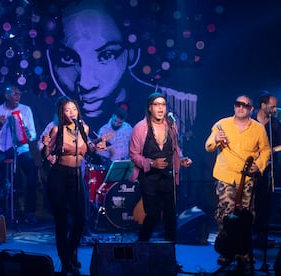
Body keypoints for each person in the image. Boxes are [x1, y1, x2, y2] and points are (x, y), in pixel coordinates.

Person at [46, 0, 197, 130]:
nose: (86, 83)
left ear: (131, 53)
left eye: (106, 55)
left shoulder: (182, 109)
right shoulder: (60, 125)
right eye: (67, 58)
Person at [205, 95, 270, 265]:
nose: (241, 108)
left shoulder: (258, 128)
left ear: (251, 109)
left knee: (246, 216)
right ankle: (226, 251)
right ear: (234, 107)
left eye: (245, 105)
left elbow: (265, 150)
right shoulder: (222, 124)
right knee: (225, 215)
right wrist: (215, 139)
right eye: (238, 104)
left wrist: (259, 164)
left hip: (247, 179)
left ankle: (243, 251)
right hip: (225, 176)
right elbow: (209, 146)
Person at [42, 98, 105, 273]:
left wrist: (97, 146)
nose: (71, 112)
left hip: (76, 176)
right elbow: (46, 152)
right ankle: (65, 261)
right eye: (67, 110)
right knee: (61, 222)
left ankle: (69, 254)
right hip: (59, 175)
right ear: (61, 113)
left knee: (81, 219)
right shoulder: (57, 130)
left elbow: (88, 148)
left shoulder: (84, 128)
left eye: (74, 109)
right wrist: (47, 148)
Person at [129, 92, 192, 243]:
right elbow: (133, 154)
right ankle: (142, 245)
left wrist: (181, 159)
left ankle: (171, 256)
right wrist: (151, 163)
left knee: (170, 216)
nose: (160, 108)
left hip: (168, 177)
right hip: (149, 178)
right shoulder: (140, 128)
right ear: (150, 108)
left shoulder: (171, 125)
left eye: (163, 104)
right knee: (153, 214)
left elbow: (176, 148)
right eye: (156, 104)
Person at [0, 85, 38, 224]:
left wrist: (28, 134)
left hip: (21, 149)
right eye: (15, 94)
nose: (18, 97)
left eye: (19, 94)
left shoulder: (25, 110)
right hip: (1, 149)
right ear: (7, 95)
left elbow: (33, 134)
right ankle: (3, 187)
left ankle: (30, 211)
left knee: (32, 173)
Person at [251, 91, 281, 247]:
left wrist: (270, 152)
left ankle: (261, 235)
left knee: (263, 200)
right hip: (247, 167)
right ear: (263, 105)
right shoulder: (249, 120)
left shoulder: (275, 125)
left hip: (266, 168)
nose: (275, 110)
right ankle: (246, 233)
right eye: (272, 107)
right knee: (248, 200)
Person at [95, 102, 133, 167]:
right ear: (112, 116)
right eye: (115, 121)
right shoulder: (104, 130)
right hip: (109, 163)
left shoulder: (128, 128)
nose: (116, 124)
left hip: (125, 161)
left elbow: (131, 144)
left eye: (119, 123)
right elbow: (98, 150)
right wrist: (108, 152)